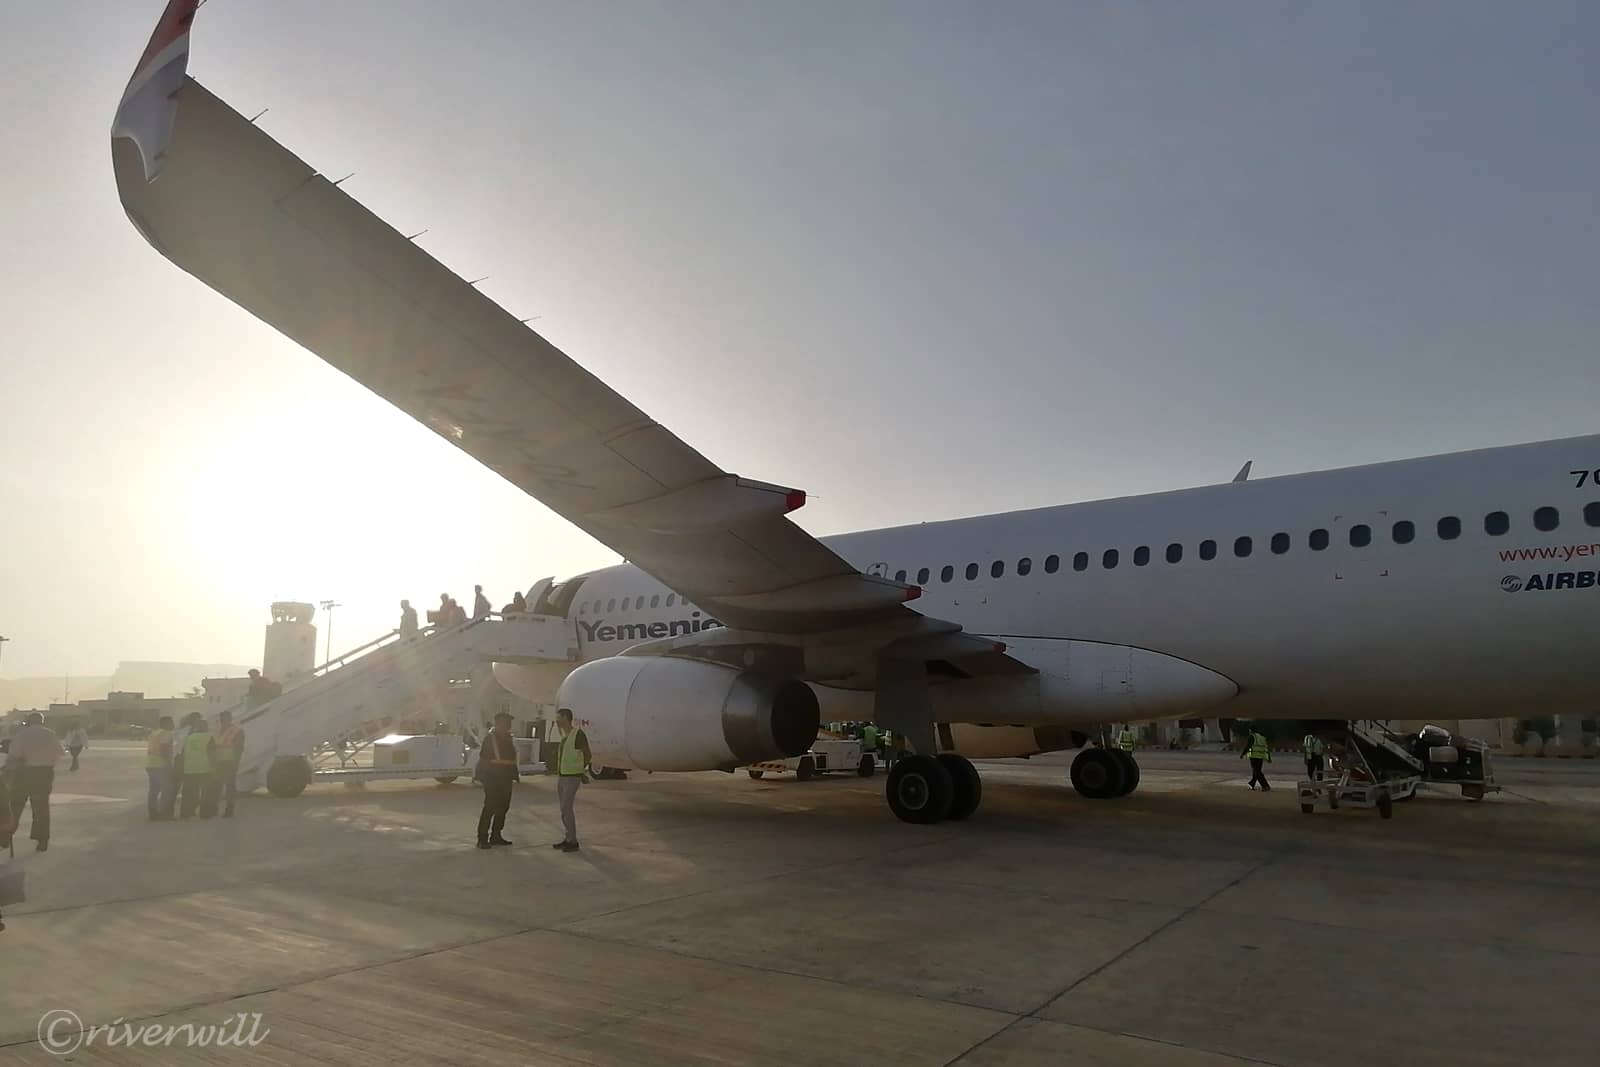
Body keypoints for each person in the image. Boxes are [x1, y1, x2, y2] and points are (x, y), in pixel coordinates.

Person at [6, 712, 64, 851]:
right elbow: (59, 753)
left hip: (24, 773)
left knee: (15, 806)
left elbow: (14, 755)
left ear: (28, 722)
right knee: (41, 808)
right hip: (44, 773)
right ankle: (42, 840)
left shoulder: (22, 735)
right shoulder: (50, 734)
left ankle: (6, 836)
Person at [475, 712, 520, 849]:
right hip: (492, 777)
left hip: (505, 777)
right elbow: (484, 758)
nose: (509, 725)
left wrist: (514, 775)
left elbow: (511, 759)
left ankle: (496, 835)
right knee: (490, 807)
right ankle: (482, 838)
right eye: (507, 722)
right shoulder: (490, 738)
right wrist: (483, 777)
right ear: (499, 723)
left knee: (503, 807)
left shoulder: (508, 738)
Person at [551, 708, 592, 853]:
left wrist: (581, 771)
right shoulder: (565, 736)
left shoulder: (578, 734)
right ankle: (568, 838)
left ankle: (573, 841)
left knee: (566, 808)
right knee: (563, 809)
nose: (557, 720)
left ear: (566, 718)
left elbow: (587, 754)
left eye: (559, 717)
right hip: (562, 776)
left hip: (572, 777)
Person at [179, 719, 217, 819]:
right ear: (205, 727)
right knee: (205, 792)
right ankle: (204, 814)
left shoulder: (189, 738)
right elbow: (212, 754)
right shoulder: (209, 737)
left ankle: (185, 813)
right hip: (204, 768)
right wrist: (214, 768)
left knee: (188, 793)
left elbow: (183, 753)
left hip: (189, 768)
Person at [214, 710, 245, 818]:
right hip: (218, 762)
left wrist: (236, 762)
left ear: (230, 718)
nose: (223, 720)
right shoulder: (217, 730)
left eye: (225, 718)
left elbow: (239, 748)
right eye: (222, 718)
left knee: (229, 787)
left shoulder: (237, 731)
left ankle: (229, 809)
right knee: (217, 786)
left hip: (230, 762)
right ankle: (215, 809)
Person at [146, 715, 175, 820]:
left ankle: (153, 814)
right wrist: (169, 764)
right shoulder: (166, 734)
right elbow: (164, 750)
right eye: (171, 722)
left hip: (150, 763)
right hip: (161, 764)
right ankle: (165, 814)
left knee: (153, 790)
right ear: (166, 724)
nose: (173, 724)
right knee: (167, 790)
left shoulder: (154, 733)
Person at [1240, 726, 1272, 790]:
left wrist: (1243, 754)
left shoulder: (1252, 736)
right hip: (1261, 756)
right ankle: (1251, 784)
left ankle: (1265, 785)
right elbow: (1266, 748)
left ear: (1251, 730)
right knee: (1257, 771)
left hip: (1254, 756)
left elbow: (1248, 746)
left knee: (1257, 772)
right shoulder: (1262, 737)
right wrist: (1268, 757)